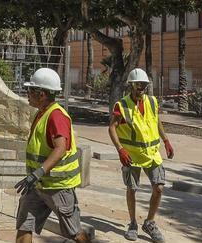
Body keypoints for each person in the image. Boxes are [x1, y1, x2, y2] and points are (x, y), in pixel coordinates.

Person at [14, 67, 91, 243]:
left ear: (41, 94)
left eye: (31, 90)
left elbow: (60, 148)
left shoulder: (56, 116)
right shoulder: (42, 113)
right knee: (24, 225)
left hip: (58, 187)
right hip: (38, 185)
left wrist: (37, 173)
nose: (27, 93)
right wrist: (36, 177)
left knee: (74, 232)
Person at [107, 68, 173, 242]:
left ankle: (149, 223)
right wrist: (120, 149)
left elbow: (157, 122)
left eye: (144, 85)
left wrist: (166, 140)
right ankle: (133, 224)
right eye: (138, 85)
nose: (141, 88)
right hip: (132, 156)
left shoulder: (152, 101)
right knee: (132, 189)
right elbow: (112, 128)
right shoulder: (122, 105)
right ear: (131, 85)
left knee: (159, 187)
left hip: (152, 154)